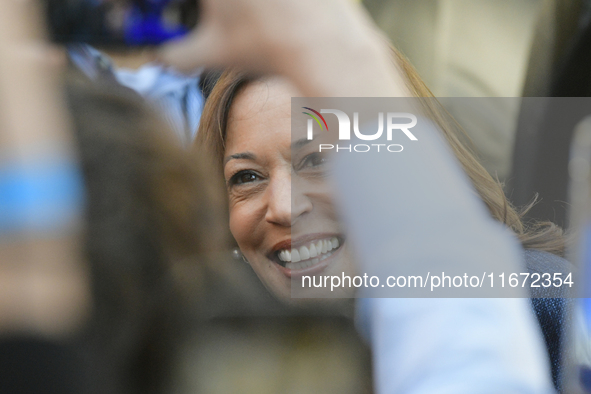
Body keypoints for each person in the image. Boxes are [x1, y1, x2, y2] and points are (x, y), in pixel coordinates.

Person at [159, 0, 569, 391]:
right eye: (246, 177)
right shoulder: (210, 357)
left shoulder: (539, 304)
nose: (284, 207)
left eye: (318, 160)